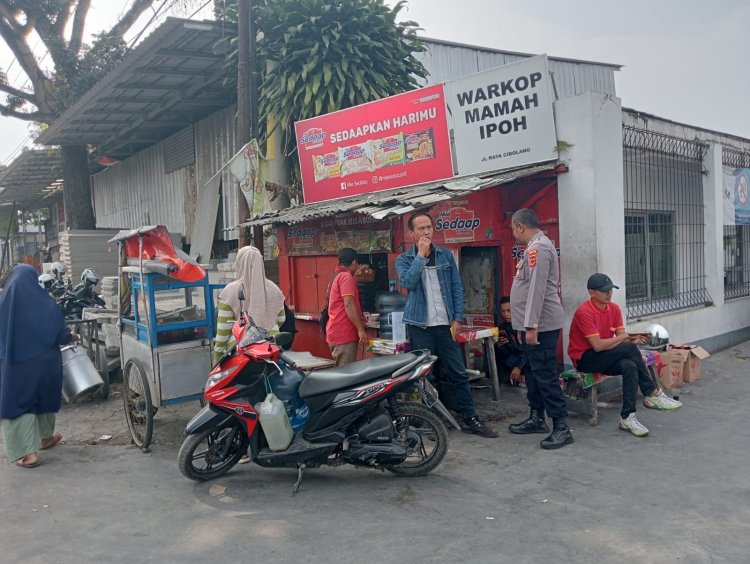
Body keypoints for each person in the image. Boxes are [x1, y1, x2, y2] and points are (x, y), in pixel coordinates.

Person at [396, 211, 497, 438]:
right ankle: (435, 421)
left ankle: (470, 417)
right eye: (420, 228)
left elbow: (456, 287)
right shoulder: (404, 259)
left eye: (429, 227)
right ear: (412, 233)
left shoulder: (445, 255)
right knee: (426, 377)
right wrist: (420, 256)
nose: (426, 232)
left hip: (445, 326)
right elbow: (408, 283)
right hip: (420, 326)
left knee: (458, 372)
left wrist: (458, 317)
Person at [568, 273, 682, 437]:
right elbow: (598, 346)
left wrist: (634, 339)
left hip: (604, 355)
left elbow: (622, 338)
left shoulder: (613, 308)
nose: (609, 293)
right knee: (628, 350)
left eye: (611, 290)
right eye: (604, 290)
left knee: (629, 365)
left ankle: (628, 417)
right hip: (585, 358)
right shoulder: (584, 312)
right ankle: (651, 393)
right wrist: (626, 338)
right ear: (592, 292)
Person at [0, 264, 78, 468]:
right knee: (43, 399)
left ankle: (26, 454)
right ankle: (45, 438)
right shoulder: (44, 302)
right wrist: (72, 336)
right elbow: (60, 333)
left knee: (18, 403)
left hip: (16, 366)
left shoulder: (3, 303)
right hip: (47, 365)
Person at [508, 208, 573, 449]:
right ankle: (537, 417)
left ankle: (562, 426)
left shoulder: (538, 249)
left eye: (513, 229)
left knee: (545, 375)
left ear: (520, 226)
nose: (514, 234)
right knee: (534, 373)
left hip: (541, 325)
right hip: (533, 325)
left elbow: (536, 289)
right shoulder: (535, 247)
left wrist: (531, 325)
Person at [213, 246, 287, 363]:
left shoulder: (230, 291)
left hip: (241, 353)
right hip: (272, 348)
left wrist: (217, 355)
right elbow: (282, 319)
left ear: (240, 264)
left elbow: (223, 330)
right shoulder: (274, 289)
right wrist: (265, 322)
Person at [325, 248, 368, 367]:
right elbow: (348, 304)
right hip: (344, 333)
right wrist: (360, 329)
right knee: (345, 375)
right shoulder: (346, 277)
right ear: (354, 262)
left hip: (335, 331)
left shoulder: (336, 276)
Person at [495, 296, 527, 386]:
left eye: (509, 311)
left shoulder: (522, 327)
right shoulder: (501, 329)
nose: (506, 314)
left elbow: (529, 350)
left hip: (524, 364)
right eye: (503, 311)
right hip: (508, 366)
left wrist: (519, 367)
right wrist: (498, 346)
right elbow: (500, 356)